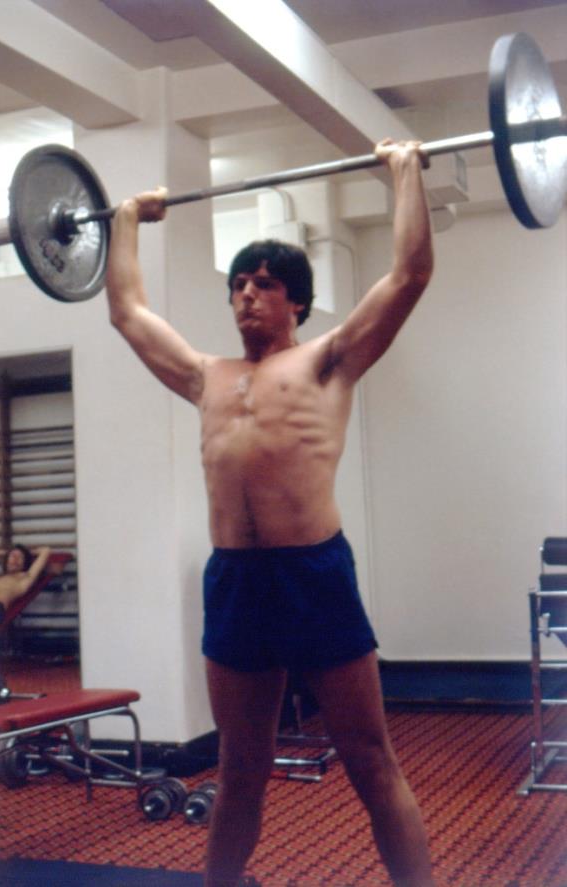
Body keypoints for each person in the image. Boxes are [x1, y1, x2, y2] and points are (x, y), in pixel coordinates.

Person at [106, 138, 435, 887]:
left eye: (264, 283)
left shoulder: (330, 360)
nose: (247, 294)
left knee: (368, 758)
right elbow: (127, 312)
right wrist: (126, 220)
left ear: (296, 302)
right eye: (238, 284)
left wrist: (404, 173)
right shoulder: (205, 376)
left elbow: (410, 274)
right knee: (240, 767)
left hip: (313, 573)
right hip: (236, 581)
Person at [0, 544, 51, 650]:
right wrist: (7, 552)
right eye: (12, 556)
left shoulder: (26, 578)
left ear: (25, 563)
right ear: (6, 560)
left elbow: (45, 551)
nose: (15, 559)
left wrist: (26, 553)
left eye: (20, 557)